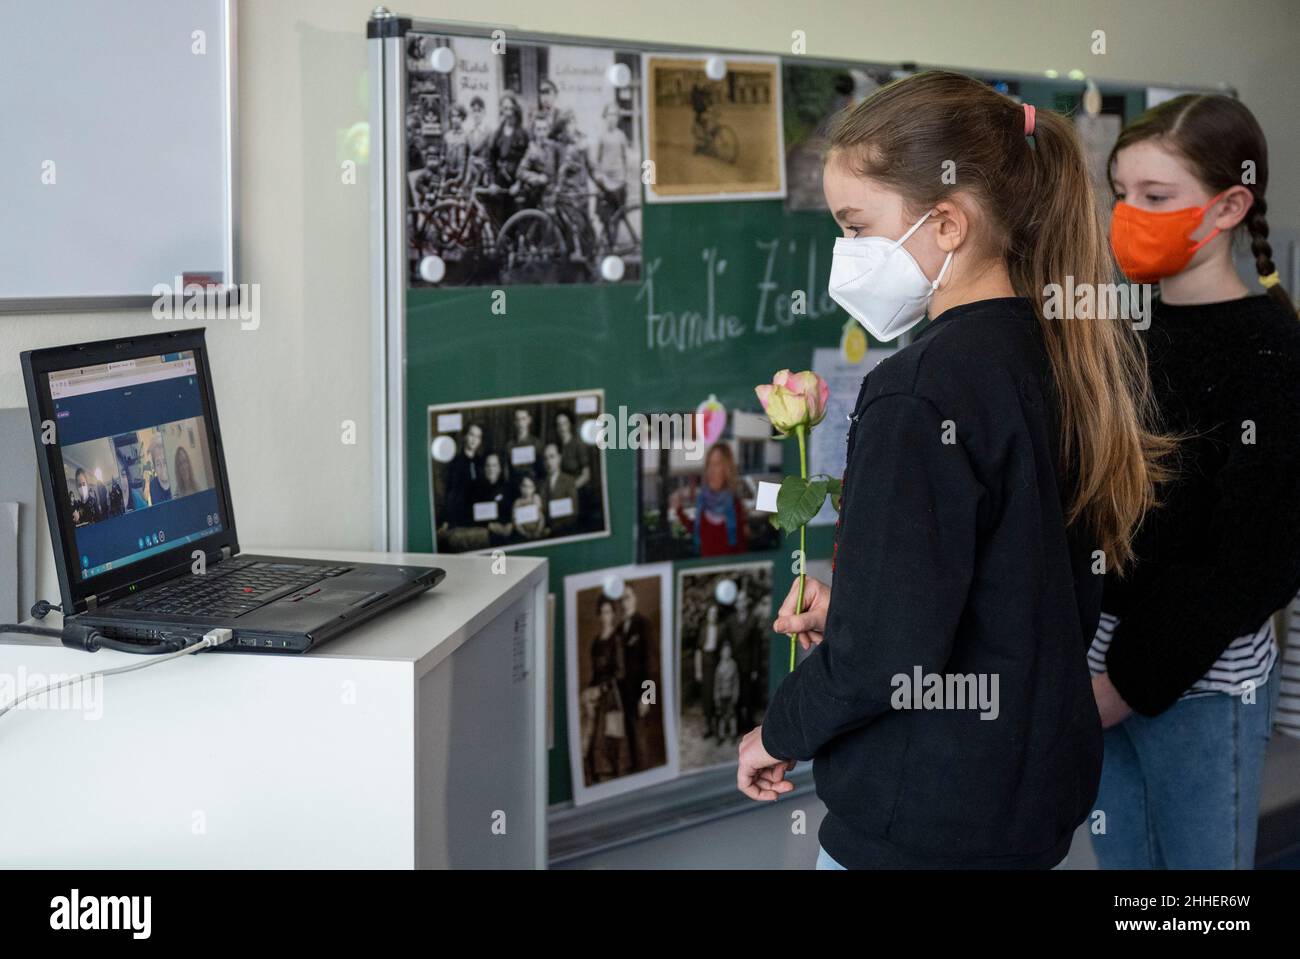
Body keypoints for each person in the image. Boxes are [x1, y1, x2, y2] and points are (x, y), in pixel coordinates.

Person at [737, 71, 1172, 870]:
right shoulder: (1059, 356)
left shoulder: (917, 390)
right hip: (1022, 804)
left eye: (856, 227)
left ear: (945, 223)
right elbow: (1004, 595)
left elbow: (884, 659)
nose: (845, 256)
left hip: (924, 823)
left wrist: (780, 728)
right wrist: (863, 607)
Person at [1089, 94, 1300, 870]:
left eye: (1155, 197)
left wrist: (1125, 681)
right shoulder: (1123, 333)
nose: (1128, 215)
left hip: (1202, 687)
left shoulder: (1274, 353)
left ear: (1230, 205)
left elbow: (1254, 559)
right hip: (1100, 667)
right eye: (1121, 194)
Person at [673, 443, 748, 556]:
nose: (711, 470)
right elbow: (697, 530)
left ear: (726, 469)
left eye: (717, 464)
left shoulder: (735, 504)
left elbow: (742, 548)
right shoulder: (703, 501)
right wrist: (679, 511)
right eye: (709, 464)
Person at [583, 594, 626, 783]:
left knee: (609, 741)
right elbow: (594, 673)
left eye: (608, 612)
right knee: (589, 738)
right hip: (597, 694)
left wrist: (602, 689)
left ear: (613, 614)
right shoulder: (596, 643)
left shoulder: (616, 639)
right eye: (602, 612)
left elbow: (620, 672)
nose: (605, 616)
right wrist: (590, 691)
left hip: (612, 696)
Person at [618, 586, 651, 770]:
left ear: (635, 599)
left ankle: (644, 771)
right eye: (622, 599)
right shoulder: (620, 628)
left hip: (640, 694)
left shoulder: (643, 624)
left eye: (628, 597)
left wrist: (648, 698)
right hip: (624, 694)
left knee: (640, 739)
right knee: (630, 737)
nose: (625, 602)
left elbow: (649, 663)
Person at [439, 424, 483, 532]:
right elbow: (451, 493)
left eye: (478, 437)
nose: (474, 439)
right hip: (460, 516)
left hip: (479, 515)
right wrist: (447, 520)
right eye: (471, 435)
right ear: (465, 437)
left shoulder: (481, 462)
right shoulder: (456, 462)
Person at [540, 442, 578, 536]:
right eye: (546, 458)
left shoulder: (569, 481)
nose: (548, 462)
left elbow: (574, 512)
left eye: (552, 457)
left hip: (566, 532)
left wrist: (552, 529)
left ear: (559, 458)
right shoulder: (541, 484)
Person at [505, 408, 544, 486]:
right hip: (514, 488)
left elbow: (541, 471)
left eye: (523, 419)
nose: (520, 423)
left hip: (532, 488)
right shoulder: (510, 446)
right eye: (518, 420)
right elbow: (507, 472)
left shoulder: (537, 444)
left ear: (529, 420)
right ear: (515, 422)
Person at [714, 642, 740, 742]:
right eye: (725, 652)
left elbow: (736, 682)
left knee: (732, 715)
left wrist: (735, 695)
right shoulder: (719, 667)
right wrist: (716, 697)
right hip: (721, 695)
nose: (727, 653)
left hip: (731, 694)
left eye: (728, 651)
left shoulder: (733, 665)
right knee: (722, 716)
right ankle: (721, 735)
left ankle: (733, 733)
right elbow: (716, 684)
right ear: (721, 653)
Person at [146, 439, 172, 505]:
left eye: (165, 462)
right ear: (154, 467)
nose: (162, 467)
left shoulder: (178, 481)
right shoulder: (152, 485)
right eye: (158, 464)